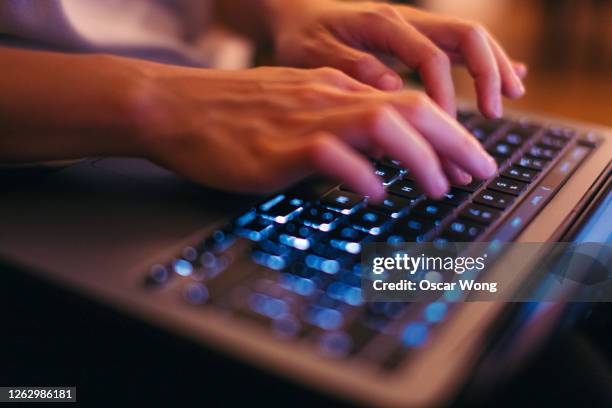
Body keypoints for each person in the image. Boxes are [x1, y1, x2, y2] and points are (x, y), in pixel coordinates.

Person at [0, 0, 527, 201]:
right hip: (47, 178)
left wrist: (288, 12)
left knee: (571, 273)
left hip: (227, 118)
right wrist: (157, 102)